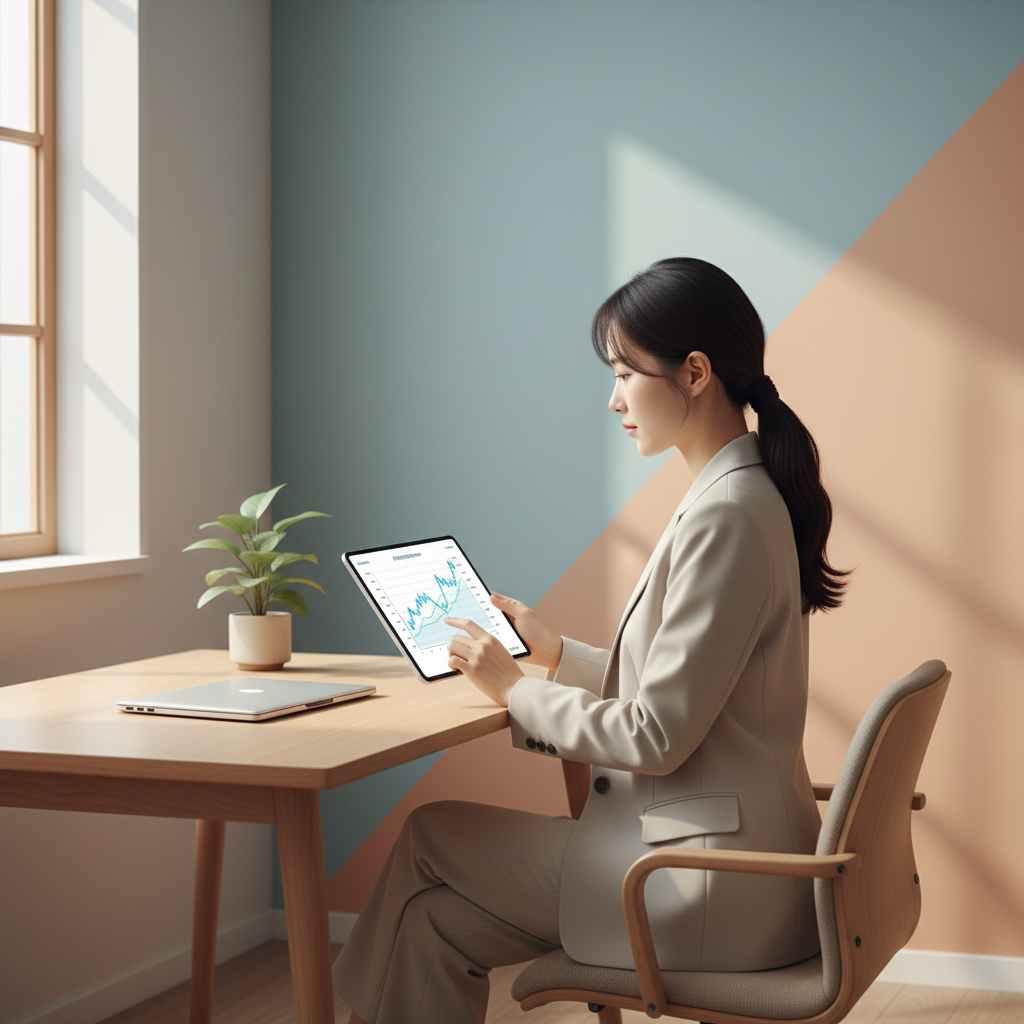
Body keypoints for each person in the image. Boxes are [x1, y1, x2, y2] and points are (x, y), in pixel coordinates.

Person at [334, 257, 849, 1024]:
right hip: (720, 860)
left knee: (426, 833)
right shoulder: (737, 495)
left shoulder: (727, 515)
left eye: (624, 374)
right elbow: (690, 682)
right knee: (429, 923)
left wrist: (514, 690)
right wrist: (555, 656)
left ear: (696, 372)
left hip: (692, 880)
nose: (613, 400)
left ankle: (326, 1006)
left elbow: (658, 732)